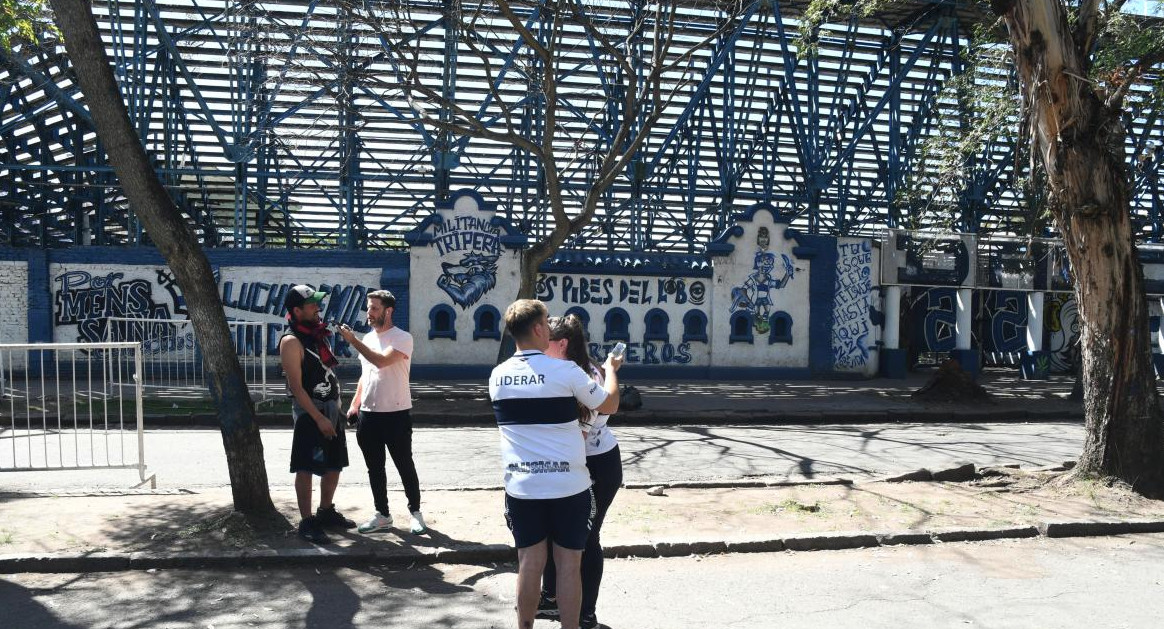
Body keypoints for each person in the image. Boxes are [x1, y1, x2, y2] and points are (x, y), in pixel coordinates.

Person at [489, 299, 622, 629]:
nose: (550, 328)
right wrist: (612, 373)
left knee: (529, 563)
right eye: (546, 323)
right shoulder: (567, 371)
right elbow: (610, 404)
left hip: (523, 487)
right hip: (569, 487)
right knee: (568, 565)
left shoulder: (498, 376)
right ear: (536, 329)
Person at [538, 314, 623, 629]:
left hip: (595, 465)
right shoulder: (555, 369)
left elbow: (580, 434)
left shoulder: (585, 377)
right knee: (551, 533)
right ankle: (551, 599)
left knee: (586, 539)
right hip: (568, 462)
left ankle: (586, 615)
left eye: (543, 342)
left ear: (562, 345)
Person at [338, 290, 427, 535]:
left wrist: (352, 340)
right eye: (368, 308)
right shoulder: (367, 338)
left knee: (404, 464)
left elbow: (380, 362)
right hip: (369, 415)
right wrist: (355, 404)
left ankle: (416, 513)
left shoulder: (402, 338)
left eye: (374, 308)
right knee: (374, 468)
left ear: (388, 311)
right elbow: (366, 373)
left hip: (396, 414)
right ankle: (382, 515)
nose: (369, 313)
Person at [279, 284, 354, 545]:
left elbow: (329, 373)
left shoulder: (317, 336)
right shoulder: (291, 342)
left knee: (334, 464)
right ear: (297, 310)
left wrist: (338, 406)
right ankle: (307, 521)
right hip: (310, 414)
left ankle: (325, 511)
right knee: (306, 467)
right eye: (312, 305)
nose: (317, 308)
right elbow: (296, 387)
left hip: (331, 409)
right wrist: (318, 417)